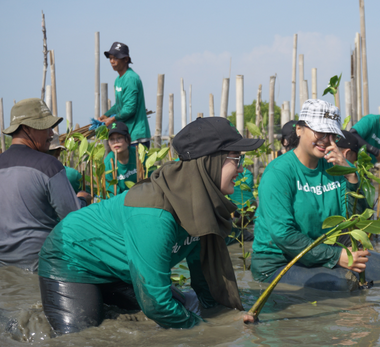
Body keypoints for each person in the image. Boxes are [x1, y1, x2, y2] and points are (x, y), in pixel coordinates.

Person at [38, 117, 264, 334]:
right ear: (209, 163)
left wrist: (226, 316)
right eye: (237, 159)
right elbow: (156, 304)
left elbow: (203, 277)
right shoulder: (155, 215)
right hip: (71, 258)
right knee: (81, 337)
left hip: (121, 268)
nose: (242, 169)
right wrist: (207, 329)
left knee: (185, 306)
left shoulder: (201, 205)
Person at [251, 99, 380, 291]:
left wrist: (350, 175)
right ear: (299, 129)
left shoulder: (335, 168)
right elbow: (284, 235)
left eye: (332, 134)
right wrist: (336, 256)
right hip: (280, 262)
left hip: (323, 253)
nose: (326, 140)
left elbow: (356, 222)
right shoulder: (279, 172)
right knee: (346, 283)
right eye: (320, 132)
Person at [0, 99, 91, 271]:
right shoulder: (48, 166)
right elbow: (73, 218)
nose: (51, 133)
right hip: (40, 266)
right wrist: (83, 201)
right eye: (45, 127)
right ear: (27, 128)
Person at [98, 42, 151, 148]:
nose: (112, 61)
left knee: (137, 165)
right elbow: (120, 104)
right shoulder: (118, 80)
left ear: (126, 59)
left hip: (137, 136)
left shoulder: (131, 78)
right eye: (110, 58)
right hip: (127, 135)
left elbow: (129, 109)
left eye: (116, 58)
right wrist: (106, 115)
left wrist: (112, 120)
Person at [104, 121, 143, 195]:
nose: (116, 142)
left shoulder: (139, 155)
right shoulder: (107, 164)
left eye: (119, 137)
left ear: (128, 139)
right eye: (111, 139)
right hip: (119, 203)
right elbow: (112, 196)